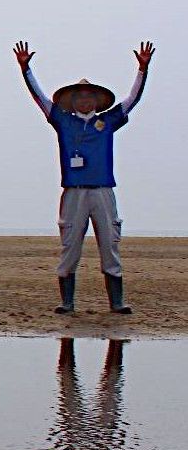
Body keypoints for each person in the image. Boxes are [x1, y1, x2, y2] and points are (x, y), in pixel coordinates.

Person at [15, 40, 153, 315]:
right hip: (73, 192)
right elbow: (39, 97)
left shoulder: (108, 121)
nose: (85, 100)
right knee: (69, 246)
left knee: (110, 245)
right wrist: (26, 69)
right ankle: (67, 302)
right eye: (80, 96)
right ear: (73, 101)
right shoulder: (62, 120)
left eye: (90, 96)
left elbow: (132, 99)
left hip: (103, 191)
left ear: (96, 101)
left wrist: (142, 69)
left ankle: (116, 302)